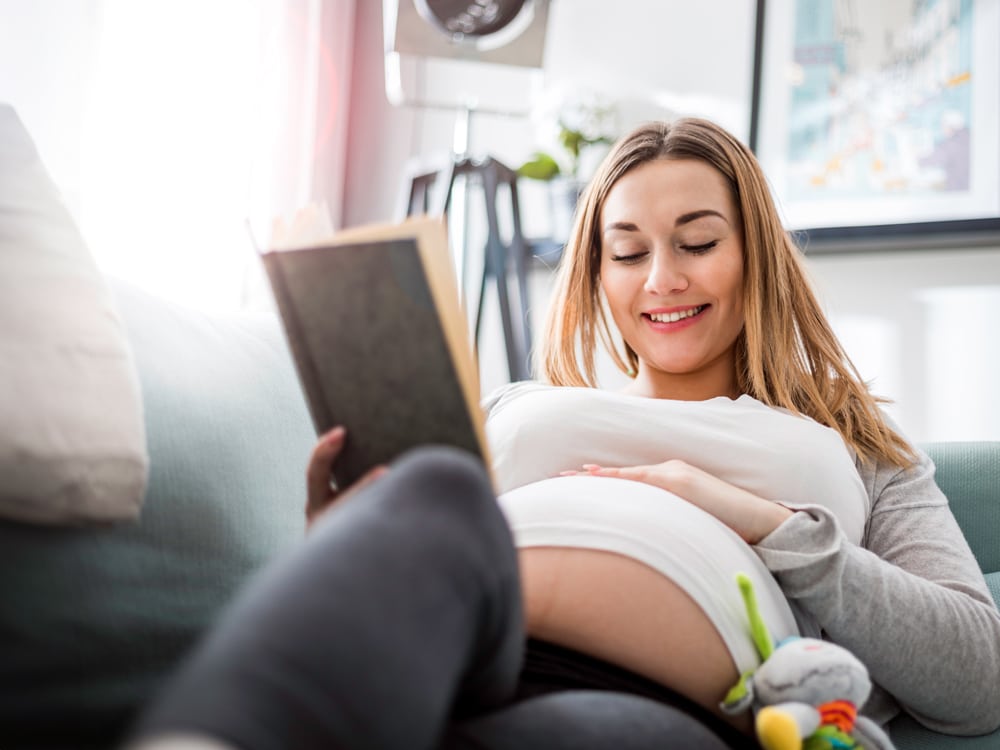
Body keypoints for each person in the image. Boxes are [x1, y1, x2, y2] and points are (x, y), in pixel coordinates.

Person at [127, 118, 1000, 750]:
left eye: (697, 241)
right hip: (444, 626)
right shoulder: (518, 404)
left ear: (756, 257)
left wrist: (758, 520)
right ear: (597, 275)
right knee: (438, 483)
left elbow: (978, 679)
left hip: (659, 698)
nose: (662, 279)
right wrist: (339, 533)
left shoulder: (855, 444)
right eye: (626, 253)